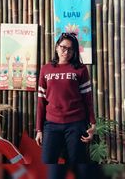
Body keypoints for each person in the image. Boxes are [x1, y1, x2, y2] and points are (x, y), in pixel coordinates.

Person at [35, 32, 96, 166]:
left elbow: (88, 99)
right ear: (57, 47)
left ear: (74, 51)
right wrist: (39, 129)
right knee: (47, 164)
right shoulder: (46, 69)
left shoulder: (81, 69)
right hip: (51, 125)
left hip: (75, 124)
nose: (66, 51)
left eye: (70, 49)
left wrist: (93, 124)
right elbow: (41, 101)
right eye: (63, 47)